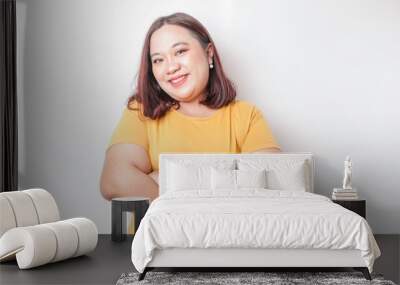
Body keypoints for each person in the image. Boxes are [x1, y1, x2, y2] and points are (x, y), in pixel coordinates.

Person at [100, 12, 281, 202]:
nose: (170, 68)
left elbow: (271, 186)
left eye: (180, 51)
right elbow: (114, 181)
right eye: (158, 60)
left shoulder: (246, 116)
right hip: (158, 232)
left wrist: (165, 182)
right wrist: (227, 182)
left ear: (208, 53)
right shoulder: (142, 111)